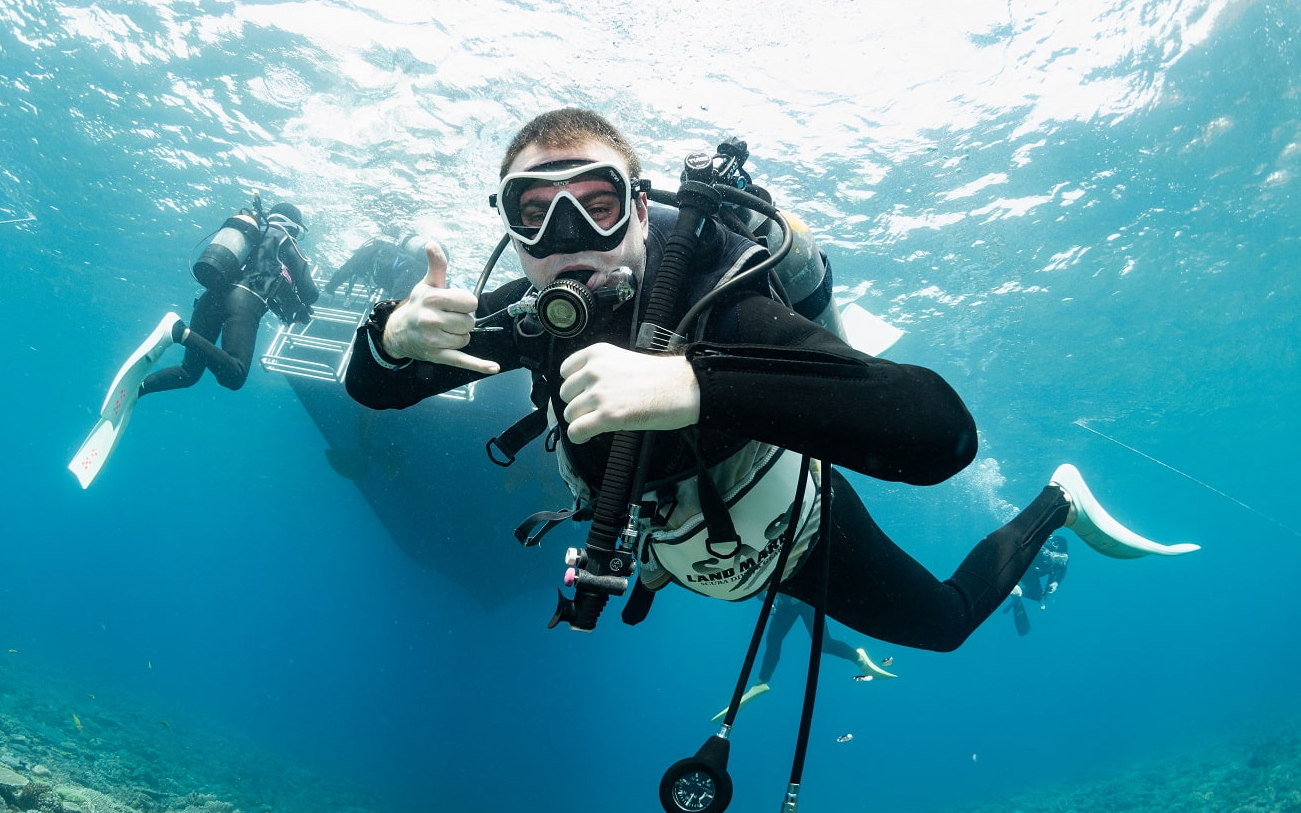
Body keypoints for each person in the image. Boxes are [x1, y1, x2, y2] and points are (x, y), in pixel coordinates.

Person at [343, 107, 1198, 653]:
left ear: (641, 209)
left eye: (596, 203)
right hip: (666, 544)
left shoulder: (729, 305)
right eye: (534, 211)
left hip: (795, 530)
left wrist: (698, 386)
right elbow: (369, 390)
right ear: (512, 229)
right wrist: (391, 336)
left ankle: (1057, 501)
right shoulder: (527, 318)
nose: (569, 235)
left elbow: (944, 433)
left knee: (940, 625)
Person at [140, 202, 319, 397]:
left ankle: (139, 389)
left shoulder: (250, 234)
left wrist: (295, 307)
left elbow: (272, 283)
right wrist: (305, 300)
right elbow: (310, 293)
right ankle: (178, 332)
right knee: (235, 375)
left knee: (189, 372)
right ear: (293, 226)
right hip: (244, 302)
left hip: (209, 298)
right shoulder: (286, 239)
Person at [711, 595, 896, 722]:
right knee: (772, 641)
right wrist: (770, 600)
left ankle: (860, 659)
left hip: (808, 601)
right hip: (786, 605)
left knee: (824, 644)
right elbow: (758, 588)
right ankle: (761, 683)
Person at [325, 236, 429, 303]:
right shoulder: (389, 250)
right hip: (418, 274)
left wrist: (330, 287)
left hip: (406, 276)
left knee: (399, 310)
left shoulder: (369, 250)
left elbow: (345, 270)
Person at [1004, 535, 1069, 636]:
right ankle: (1013, 589)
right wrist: (1013, 582)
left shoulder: (1062, 561)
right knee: (1034, 593)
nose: (1059, 561)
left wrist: (1055, 583)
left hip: (1033, 573)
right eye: (1058, 557)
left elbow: (1062, 570)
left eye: (1063, 558)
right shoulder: (1040, 552)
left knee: (1037, 596)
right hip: (1023, 570)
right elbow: (1013, 560)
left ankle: (1019, 592)